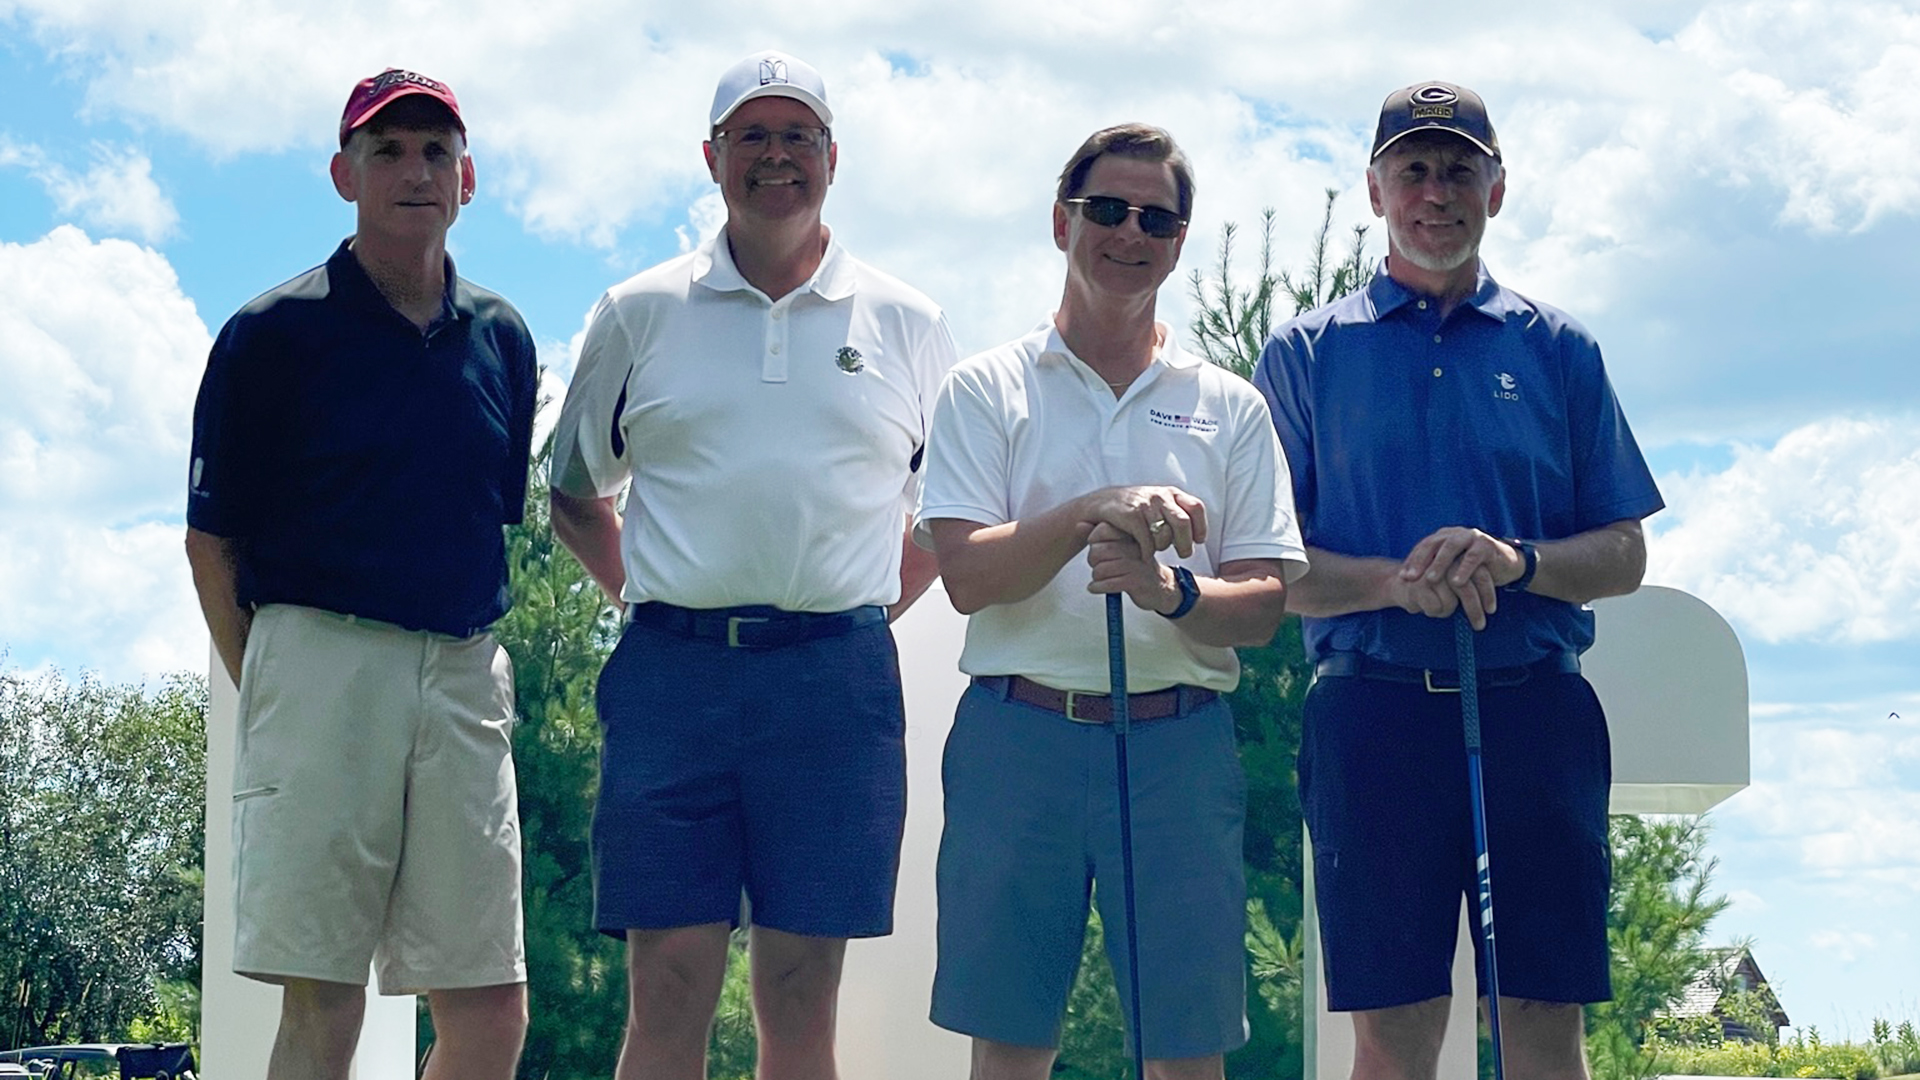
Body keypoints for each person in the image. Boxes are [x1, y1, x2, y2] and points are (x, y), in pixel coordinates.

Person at [547, 49, 958, 1080]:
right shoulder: (640, 309)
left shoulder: (908, 322)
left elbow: (948, 512)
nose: (777, 157)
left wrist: (858, 611)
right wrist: (652, 601)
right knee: (670, 988)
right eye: (753, 137)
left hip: (835, 686)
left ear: (832, 157)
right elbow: (571, 492)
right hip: (673, 680)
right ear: (712, 156)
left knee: (799, 996)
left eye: (797, 137)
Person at [1253, 81, 1665, 1080]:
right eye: (1414, 170)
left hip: (1537, 711)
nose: (1436, 192)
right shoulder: (1307, 353)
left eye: (1458, 170)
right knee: (1393, 1030)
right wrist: (1401, 582)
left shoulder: (1558, 349)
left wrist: (1518, 563)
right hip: (1374, 716)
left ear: (1498, 188)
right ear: (1376, 187)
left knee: (1539, 1018)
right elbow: (1271, 568)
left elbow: (1625, 552)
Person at [917, 123, 1309, 1080]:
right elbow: (968, 576)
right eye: (1107, 210)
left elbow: (1262, 606)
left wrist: (1169, 592)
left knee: (1186, 1047)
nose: (1130, 233)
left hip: (1178, 744)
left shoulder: (1231, 403)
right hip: (1020, 735)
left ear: (1179, 244)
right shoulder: (984, 388)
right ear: (1062, 222)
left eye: (1157, 219)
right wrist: (1094, 510)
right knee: (1010, 1043)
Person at [183, 68, 536, 1080]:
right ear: (346, 174)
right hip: (320, 665)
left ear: (467, 180)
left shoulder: (504, 339)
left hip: (466, 674)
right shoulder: (270, 334)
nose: (414, 170)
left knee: (491, 1009)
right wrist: (276, 688)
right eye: (387, 151)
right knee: (324, 1005)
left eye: (435, 150)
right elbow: (213, 542)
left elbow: (488, 517)